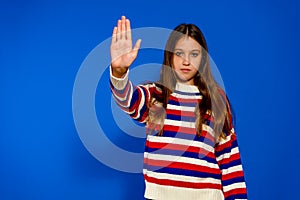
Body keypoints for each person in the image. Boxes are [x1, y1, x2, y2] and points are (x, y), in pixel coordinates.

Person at [109, 16, 247, 200]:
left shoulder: (216, 99)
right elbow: (128, 100)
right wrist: (119, 71)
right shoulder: (155, 95)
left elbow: (230, 160)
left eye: (194, 54)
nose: (186, 61)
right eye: (179, 53)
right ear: (169, 55)